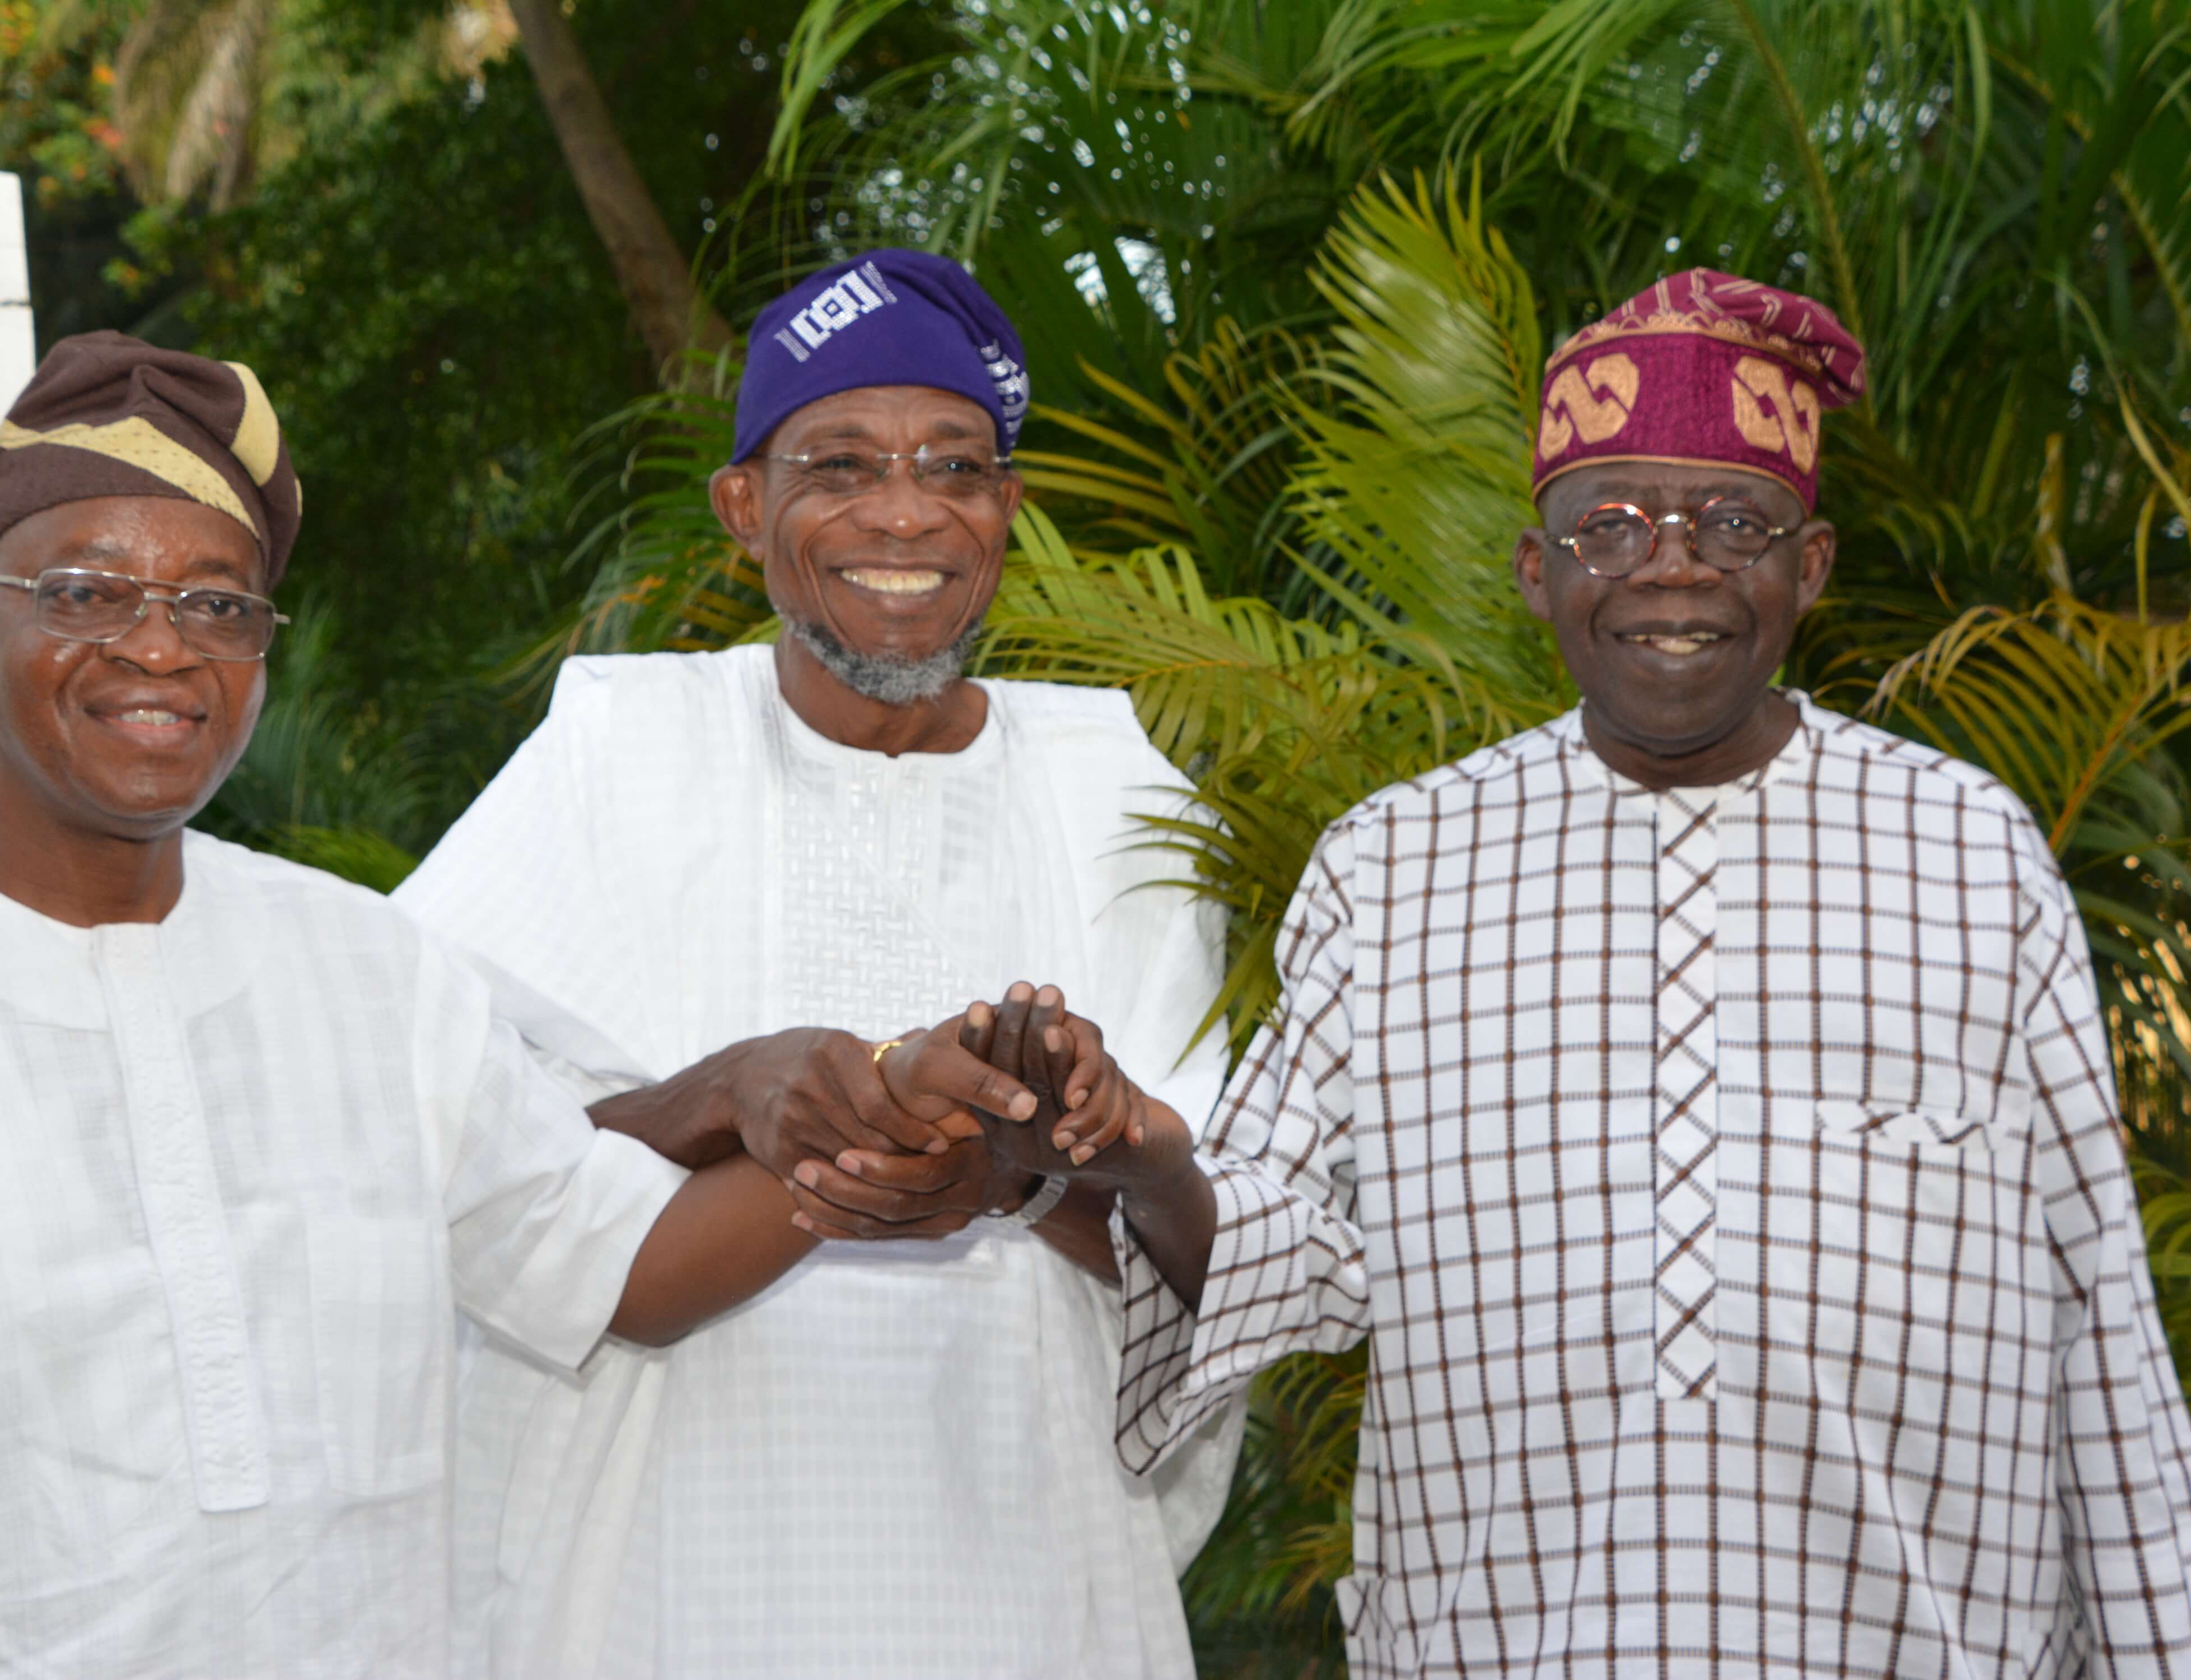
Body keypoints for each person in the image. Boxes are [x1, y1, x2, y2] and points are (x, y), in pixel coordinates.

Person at [933, 271, 2191, 1674]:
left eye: (1733, 524)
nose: (1673, 567)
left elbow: (2098, 1321)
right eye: (1610, 525)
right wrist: (1144, 1162)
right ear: (1539, 572)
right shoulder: (1396, 866)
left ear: (1810, 567)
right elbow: (1291, 1244)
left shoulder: (1969, 853)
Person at [0, 334, 974, 1679]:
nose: (161, 649)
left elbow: (614, 1270)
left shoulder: (370, 970)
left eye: (220, 606)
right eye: (86, 592)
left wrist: (912, 1102)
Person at [393, 249, 1241, 1678]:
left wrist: (1035, 1168)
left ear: (1007, 511)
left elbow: (1218, 1261)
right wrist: (718, 1093)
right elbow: (429, 1151)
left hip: (1032, 1585)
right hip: (654, 1591)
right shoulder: (621, 750)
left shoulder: (1123, 793)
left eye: (955, 468)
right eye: (839, 465)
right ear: (746, 506)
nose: (904, 512)